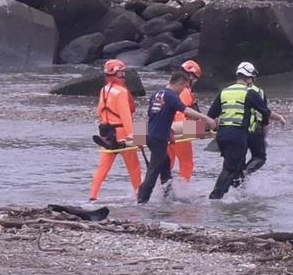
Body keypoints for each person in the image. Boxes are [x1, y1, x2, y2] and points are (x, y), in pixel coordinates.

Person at [206, 62, 286, 199]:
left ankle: (235, 199)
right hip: (238, 136)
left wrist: (188, 130)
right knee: (230, 170)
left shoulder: (224, 92)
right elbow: (265, 112)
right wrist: (279, 118)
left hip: (222, 136)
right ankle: (215, 200)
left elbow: (210, 117)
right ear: (250, 78)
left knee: (233, 168)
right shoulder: (250, 93)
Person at [137, 71, 215, 204]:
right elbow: (186, 110)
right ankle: (142, 200)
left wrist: (168, 132)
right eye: (183, 87)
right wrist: (205, 118)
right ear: (180, 83)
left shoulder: (157, 94)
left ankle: (168, 195)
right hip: (159, 139)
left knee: (165, 165)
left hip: (151, 134)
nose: (182, 91)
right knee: (154, 170)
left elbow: (154, 116)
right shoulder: (172, 96)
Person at [89, 60, 141, 201]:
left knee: (103, 167)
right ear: (117, 73)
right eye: (121, 72)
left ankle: (93, 196)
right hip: (122, 132)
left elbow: (100, 111)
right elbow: (126, 116)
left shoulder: (104, 90)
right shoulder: (121, 92)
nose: (123, 74)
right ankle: (140, 195)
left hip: (107, 132)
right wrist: (132, 135)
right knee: (134, 166)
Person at [168, 60, 202, 182]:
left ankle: (161, 189)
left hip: (165, 130)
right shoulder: (185, 91)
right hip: (178, 131)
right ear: (191, 76)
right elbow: (180, 114)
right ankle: (184, 190)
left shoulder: (169, 88)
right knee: (187, 163)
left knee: (167, 163)